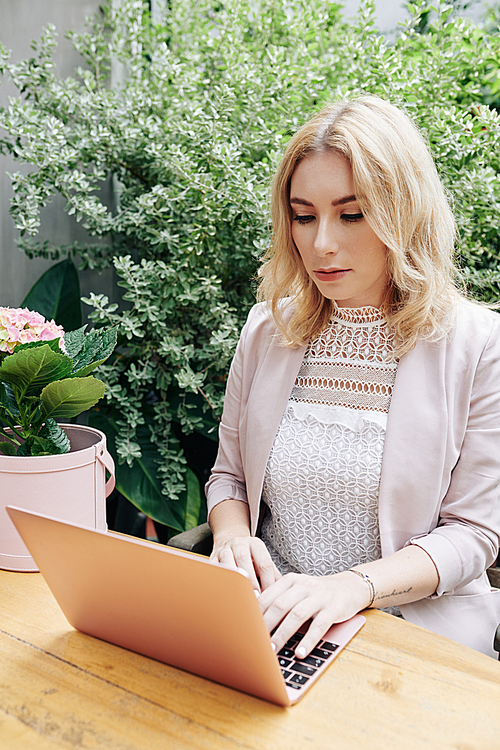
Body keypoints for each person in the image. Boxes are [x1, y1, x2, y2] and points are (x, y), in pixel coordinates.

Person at [205, 95, 500, 659]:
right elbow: (229, 478)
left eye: (352, 213)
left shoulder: (480, 344)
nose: (322, 244)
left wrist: (350, 588)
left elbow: (473, 534)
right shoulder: (267, 329)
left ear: (403, 210)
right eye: (303, 215)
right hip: (273, 624)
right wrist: (232, 537)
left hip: (412, 638)